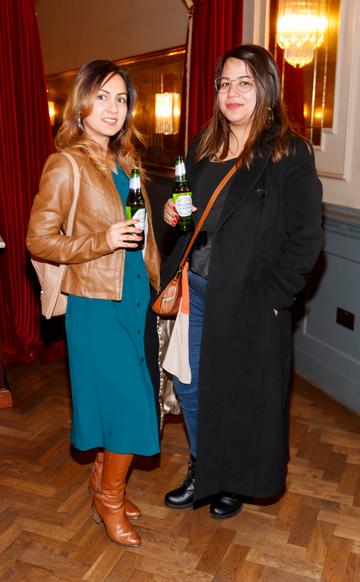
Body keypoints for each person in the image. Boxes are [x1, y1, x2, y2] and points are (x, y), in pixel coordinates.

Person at [161, 44, 323, 519]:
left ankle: (229, 480)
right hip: (198, 290)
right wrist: (175, 215)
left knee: (235, 392)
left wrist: (275, 298)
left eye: (245, 83)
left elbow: (307, 237)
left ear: (266, 90)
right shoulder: (203, 147)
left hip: (250, 299)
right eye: (225, 83)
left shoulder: (288, 153)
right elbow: (189, 210)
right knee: (190, 386)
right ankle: (202, 465)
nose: (232, 93)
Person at [27, 60, 161, 546]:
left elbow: (141, 236)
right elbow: (39, 240)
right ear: (81, 104)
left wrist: (158, 279)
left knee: (124, 400)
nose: (112, 108)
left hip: (132, 296)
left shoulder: (126, 162)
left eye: (121, 99)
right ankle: (108, 499)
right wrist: (100, 240)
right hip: (94, 301)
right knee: (130, 405)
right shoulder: (65, 163)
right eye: (102, 96)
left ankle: (104, 479)